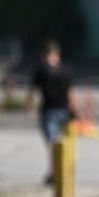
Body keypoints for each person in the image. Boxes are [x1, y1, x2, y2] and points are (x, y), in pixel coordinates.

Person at [25, 40, 75, 183]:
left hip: (49, 112)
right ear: (57, 54)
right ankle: (64, 172)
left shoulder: (41, 69)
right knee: (64, 144)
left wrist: (28, 105)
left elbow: (32, 90)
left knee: (53, 145)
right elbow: (70, 92)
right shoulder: (65, 70)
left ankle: (55, 173)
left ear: (44, 55)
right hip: (64, 111)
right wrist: (73, 109)